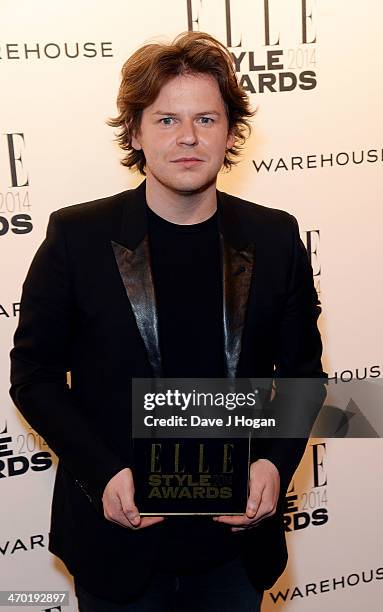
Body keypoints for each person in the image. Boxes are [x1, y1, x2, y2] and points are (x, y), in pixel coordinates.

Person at [10, 31, 326, 611]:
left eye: (206, 119)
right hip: (119, 545)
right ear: (135, 132)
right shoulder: (76, 238)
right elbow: (34, 375)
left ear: (231, 131)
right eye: (165, 120)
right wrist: (102, 473)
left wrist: (275, 464)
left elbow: (304, 373)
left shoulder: (276, 237)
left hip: (235, 549)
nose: (187, 137)